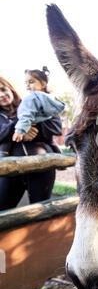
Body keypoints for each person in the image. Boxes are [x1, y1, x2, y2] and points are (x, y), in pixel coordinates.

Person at [0, 74, 63, 210]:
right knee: (3, 208)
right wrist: (21, 126)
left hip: (42, 166)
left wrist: (35, 127)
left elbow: (56, 126)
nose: (1, 94)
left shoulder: (32, 102)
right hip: (11, 169)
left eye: (3, 89)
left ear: (10, 89)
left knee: (40, 209)